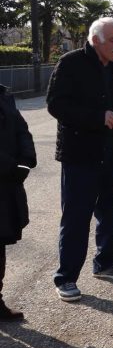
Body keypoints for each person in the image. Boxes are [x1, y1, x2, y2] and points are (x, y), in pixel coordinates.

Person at [46, 17, 113, 302]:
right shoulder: (71, 63)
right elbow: (56, 105)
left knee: (109, 211)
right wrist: (98, 117)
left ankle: (106, 263)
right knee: (76, 217)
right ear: (96, 40)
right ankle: (66, 278)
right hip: (79, 154)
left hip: (110, 152)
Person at [1, 84, 37, 320]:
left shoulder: (4, 96)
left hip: (7, 185)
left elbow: (22, 129)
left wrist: (25, 161)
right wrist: (9, 166)